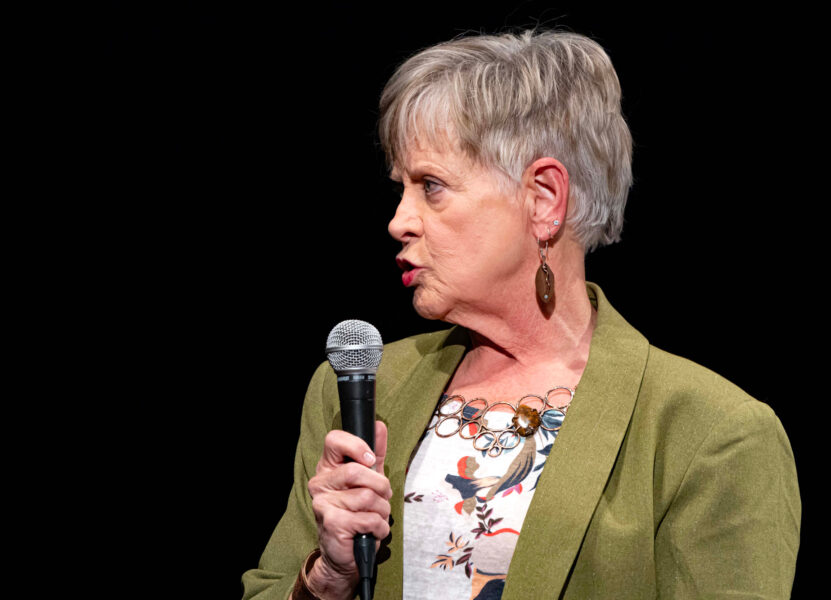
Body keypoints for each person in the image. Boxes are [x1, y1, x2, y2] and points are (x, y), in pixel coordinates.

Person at [242, 29, 800, 600]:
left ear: (543, 199)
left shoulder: (713, 434)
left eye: (431, 186)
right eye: (401, 188)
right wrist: (328, 578)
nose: (399, 221)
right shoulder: (364, 388)